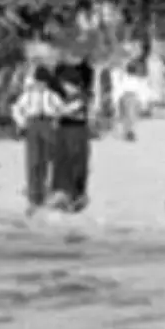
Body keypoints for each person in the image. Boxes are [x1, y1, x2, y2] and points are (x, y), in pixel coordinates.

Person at [10, 51, 62, 218]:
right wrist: (22, 123)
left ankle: (43, 194)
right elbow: (16, 109)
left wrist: (56, 120)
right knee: (33, 161)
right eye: (39, 82)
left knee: (45, 160)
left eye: (44, 83)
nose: (41, 85)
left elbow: (61, 109)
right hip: (33, 125)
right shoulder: (28, 96)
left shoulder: (52, 96)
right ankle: (33, 198)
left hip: (47, 125)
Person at [47, 50, 94, 213]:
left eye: (66, 84)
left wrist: (57, 110)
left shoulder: (81, 97)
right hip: (63, 132)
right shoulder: (64, 97)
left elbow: (65, 111)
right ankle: (61, 194)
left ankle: (76, 196)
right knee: (61, 163)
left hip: (76, 133)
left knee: (76, 164)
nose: (64, 87)